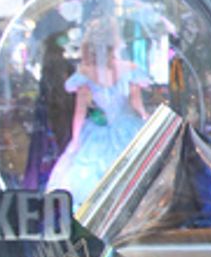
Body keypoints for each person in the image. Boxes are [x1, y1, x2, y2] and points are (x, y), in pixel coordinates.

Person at [47, 19, 150, 210]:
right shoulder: (130, 68)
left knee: (87, 179)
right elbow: (136, 103)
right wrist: (146, 119)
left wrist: (76, 140)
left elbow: (80, 112)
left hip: (97, 133)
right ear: (115, 41)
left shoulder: (86, 72)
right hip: (127, 127)